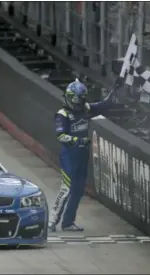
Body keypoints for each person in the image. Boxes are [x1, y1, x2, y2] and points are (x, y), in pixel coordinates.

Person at [49, 78, 121, 232]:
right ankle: (52, 221)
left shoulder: (86, 108)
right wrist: (78, 140)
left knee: (79, 190)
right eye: (75, 100)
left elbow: (104, 105)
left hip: (82, 155)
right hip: (69, 156)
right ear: (69, 97)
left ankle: (68, 223)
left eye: (80, 101)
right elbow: (60, 136)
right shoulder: (62, 114)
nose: (78, 104)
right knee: (67, 188)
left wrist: (115, 90)